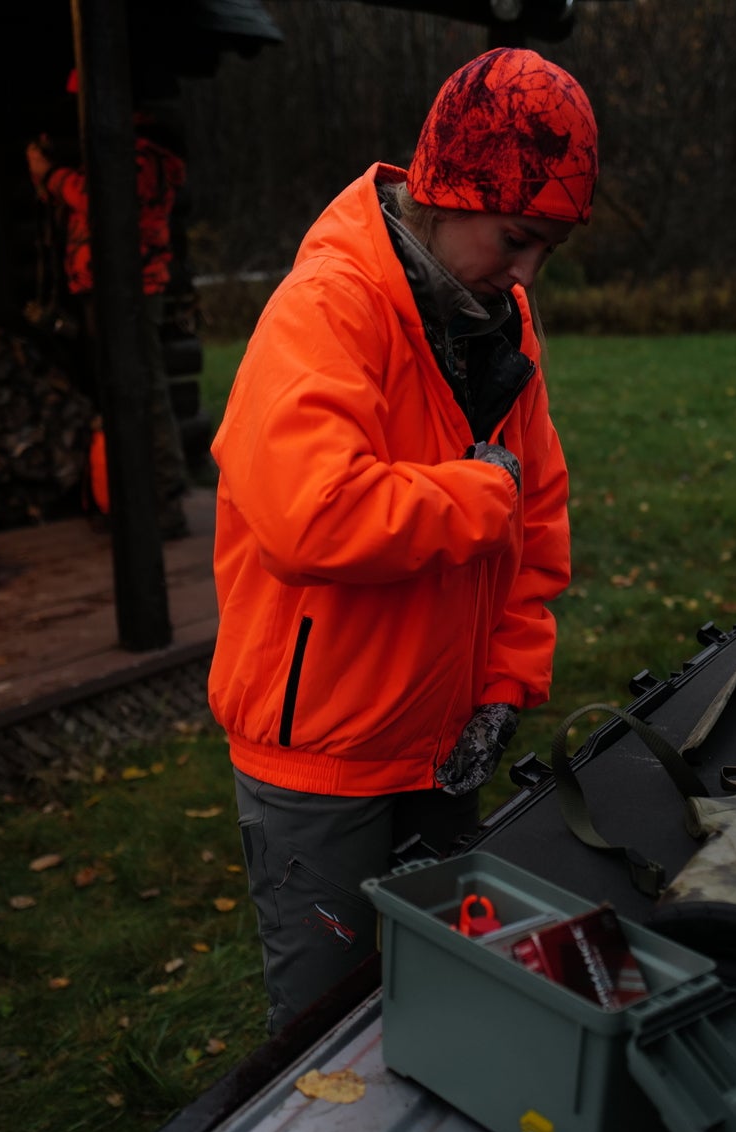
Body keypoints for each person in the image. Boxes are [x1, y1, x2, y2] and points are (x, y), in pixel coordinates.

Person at [208, 48, 597, 1033]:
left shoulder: (499, 327)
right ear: (446, 191)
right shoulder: (327, 308)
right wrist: (476, 497)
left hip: (442, 744)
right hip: (322, 761)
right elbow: (311, 513)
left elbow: (536, 520)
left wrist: (506, 684)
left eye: (546, 250)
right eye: (516, 238)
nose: (526, 275)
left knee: (443, 993)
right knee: (324, 1029)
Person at [27, 72, 193, 538]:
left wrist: (52, 175)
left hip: (132, 290)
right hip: (107, 289)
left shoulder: (142, 155)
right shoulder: (122, 151)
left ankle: (162, 500)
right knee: (122, 393)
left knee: (146, 394)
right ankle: (133, 499)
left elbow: (101, 200)